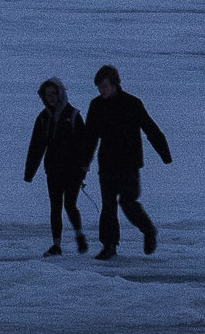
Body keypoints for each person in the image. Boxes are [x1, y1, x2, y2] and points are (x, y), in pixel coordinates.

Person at [85, 63, 170, 258]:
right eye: (99, 87)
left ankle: (148, 230)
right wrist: (84, 162)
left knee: (127, 202)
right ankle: (109, 245)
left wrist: (164, 154)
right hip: (106, 163)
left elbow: (151, 129)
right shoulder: (96, 105)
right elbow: (89, 137)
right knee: (108, 205)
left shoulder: (132, 103)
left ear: (114, 84)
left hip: (129, 164)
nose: (101, 91)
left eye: (104, 86)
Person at [22, 77, 95, 254]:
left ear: (61, 94)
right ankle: (57, 245)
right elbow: (36, 146)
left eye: (54, 94)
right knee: (55, 207)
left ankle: (79, 236)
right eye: (48, 95)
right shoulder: (43, 118)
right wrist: (29, 172)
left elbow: (85, 144)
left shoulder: (73, 115)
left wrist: (84, 166)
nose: (51, 98)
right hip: (53, 169)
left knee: (69, 205)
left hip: (73, 170)